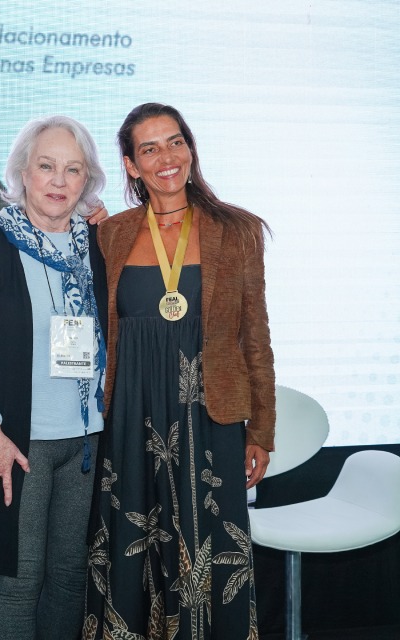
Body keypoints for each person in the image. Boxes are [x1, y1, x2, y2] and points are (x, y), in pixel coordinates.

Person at [84, 103, 275, 639]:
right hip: (130, 421)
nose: (165, 157)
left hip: (210, 420)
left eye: (175, 142)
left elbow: (254, 336)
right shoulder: (109, 235)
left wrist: (261, 429)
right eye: (149, 148)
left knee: (210, 557)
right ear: (130, 165)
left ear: (190, 149)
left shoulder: (236, 230)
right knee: (131, 554)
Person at [0, 116, 108, 639]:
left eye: (72, 169)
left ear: (88, 180)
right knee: (18, 582)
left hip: (86, 444)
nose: (59, 181)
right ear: (21, 172)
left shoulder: (100, 248)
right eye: (46, 166)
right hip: (18, 444)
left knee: (68, 579)